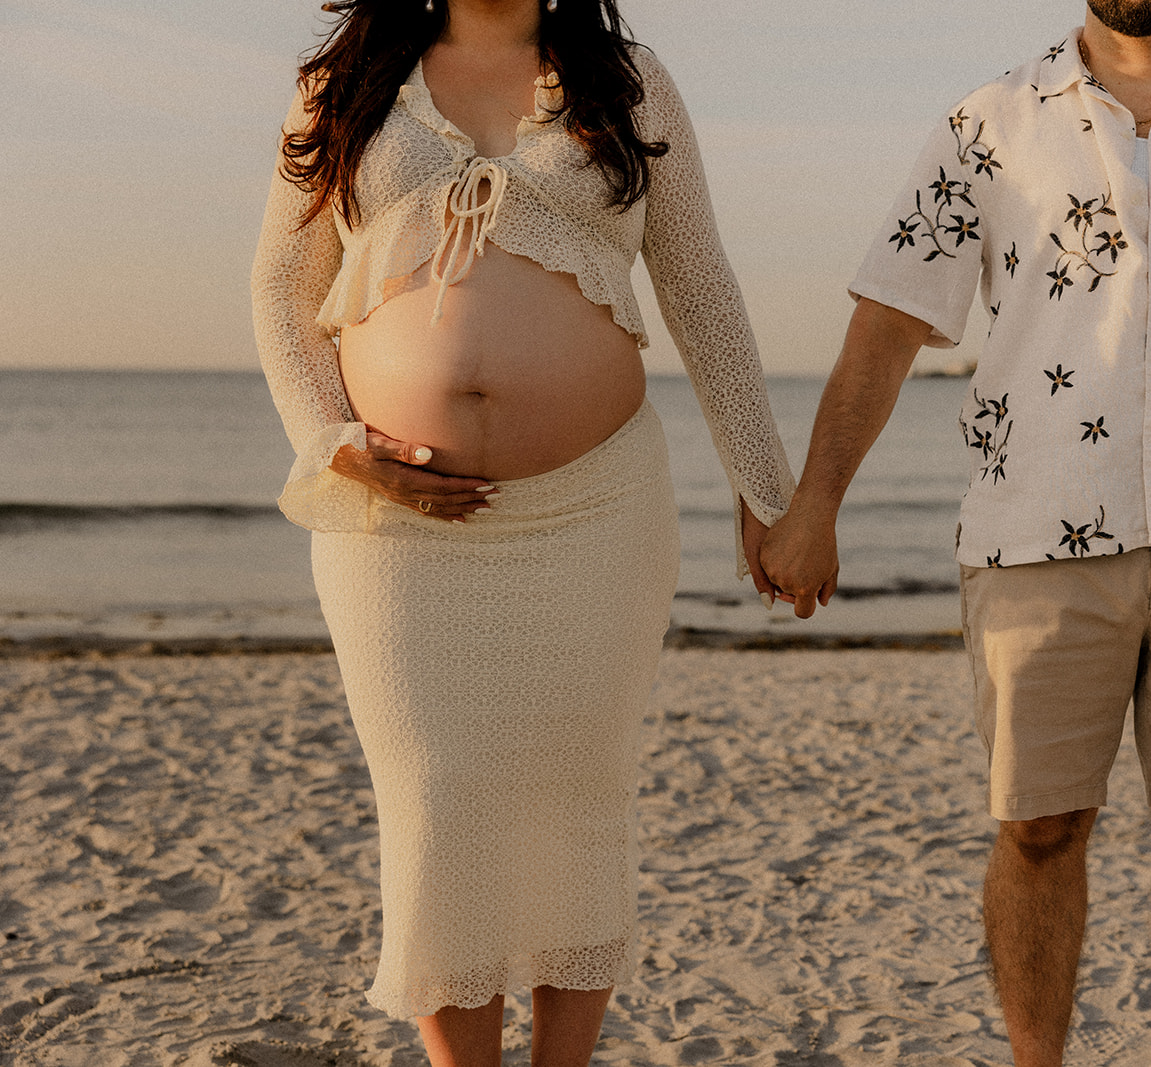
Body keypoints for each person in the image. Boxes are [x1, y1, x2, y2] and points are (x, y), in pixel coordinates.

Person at [760, 1, 1151, 1063]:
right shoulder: (988, 120)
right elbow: (890, 316)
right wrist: (815, 502)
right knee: (1037, 829)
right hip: (1033, 524)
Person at [250, 0, 793, 1062]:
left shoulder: (629, 78)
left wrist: (769, 494)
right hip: (394, 527)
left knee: (575, 799)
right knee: (436, 802)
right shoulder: (344, 85)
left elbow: (699, 284)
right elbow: (282, 284)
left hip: (595, 512)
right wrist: (330, 442)